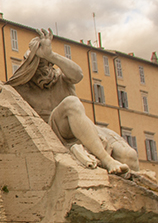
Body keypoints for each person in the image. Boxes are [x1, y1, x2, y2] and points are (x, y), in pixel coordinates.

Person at [7, 30, 138, 174]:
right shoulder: (21, 89)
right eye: (39, 65)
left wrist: (51, 55)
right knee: (71, 103)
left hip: (83, 128)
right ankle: (107, 160)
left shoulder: (63, 79)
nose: (44, 70)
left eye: (47, 64)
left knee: (129, 156)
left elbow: (78, 74)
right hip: (55, 131)